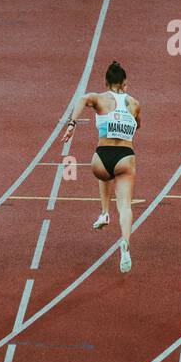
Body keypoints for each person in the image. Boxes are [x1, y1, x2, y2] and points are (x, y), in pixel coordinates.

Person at [61, 60, 140, 274]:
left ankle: (104, 212)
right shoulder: (134, 103)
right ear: (125, 83)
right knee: (125, 206)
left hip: (102, 157)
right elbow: (138, 124)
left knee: (104, 174)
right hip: (125, 157)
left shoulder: (100, 98)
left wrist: (72, 125)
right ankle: (125, 242)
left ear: (106, 82)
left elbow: (83, 98)